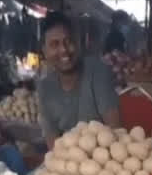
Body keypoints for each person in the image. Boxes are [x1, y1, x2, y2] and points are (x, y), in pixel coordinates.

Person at [37, 12, 121, 150]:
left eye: (68, 41)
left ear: (77, 43)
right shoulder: (46, 88)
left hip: (104, 160)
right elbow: (53, 145)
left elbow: (116, 132)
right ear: (45, 51)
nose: (64, 49)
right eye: (54, 44)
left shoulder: (97, 72)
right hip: (67, 162)